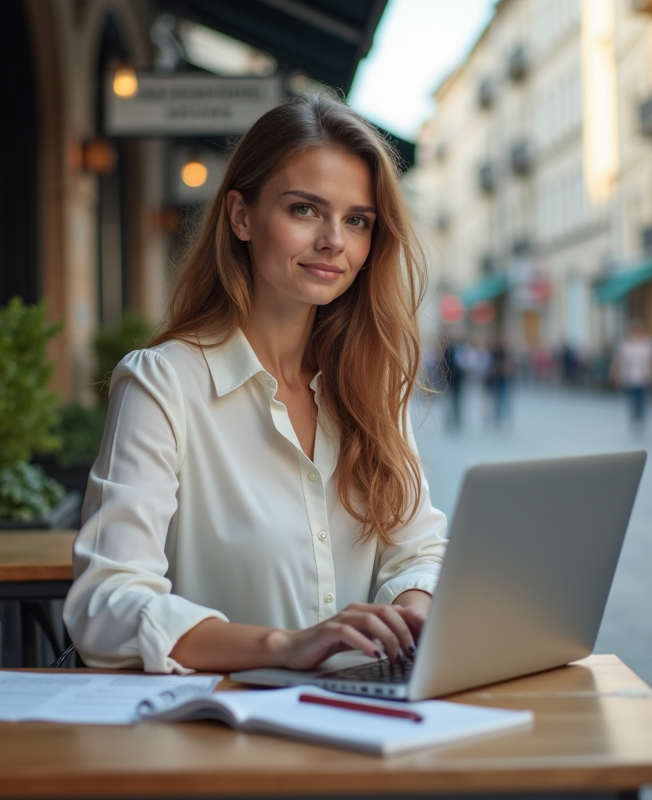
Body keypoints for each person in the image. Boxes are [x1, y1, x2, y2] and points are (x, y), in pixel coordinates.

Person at [63, 95, 446, 674]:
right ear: (241, 216)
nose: (334, 242)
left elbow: (417, 550)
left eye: (357, 220)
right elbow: (106, 604)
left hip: (364, 718)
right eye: (304, 210)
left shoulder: (373, 381)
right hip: (225, 730)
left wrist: (412, 617)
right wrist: (284, 646)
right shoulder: (163, 384)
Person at [610, 320, 652, 434]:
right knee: (633, 400)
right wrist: (614, 374)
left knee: (643, 401)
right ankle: (634, 418)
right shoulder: (625, 345)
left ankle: (641, 419)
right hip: (629, 378)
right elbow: (618, 360)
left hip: (644, 377)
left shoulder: (648, 344)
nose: (636, 333)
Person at [439, 335, 466, 432]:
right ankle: (450, 423)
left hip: (458, 380)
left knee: (457, 403)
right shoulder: (447, 351)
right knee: (450, 402)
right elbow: (443, 366)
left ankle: (457, 422)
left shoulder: (460, 351)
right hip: (449, 380)